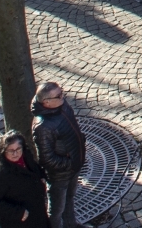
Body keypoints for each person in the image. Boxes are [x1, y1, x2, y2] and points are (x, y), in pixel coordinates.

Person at [32, 81, 88, 228]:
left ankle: (71, 224)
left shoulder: (62, 106)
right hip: (60, 175)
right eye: (58, 95)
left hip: (74, 165)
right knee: (57, 210)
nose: (63, 96)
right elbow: (47, 159)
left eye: (61, 92)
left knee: (70, 199)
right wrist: (69, 163)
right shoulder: (43, 126)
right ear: (47, 102)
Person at [0, 131, 49, 228]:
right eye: (11, 150)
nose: (15, 153)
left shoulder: (26, 156)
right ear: (3, 150)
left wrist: (42, 177)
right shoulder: (0, 174)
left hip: (37, 214)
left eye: (18, 149)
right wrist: (19, 212)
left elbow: (36, 169)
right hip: (18, 222)